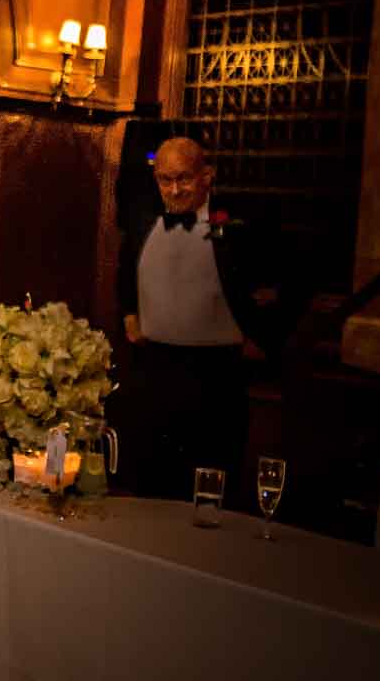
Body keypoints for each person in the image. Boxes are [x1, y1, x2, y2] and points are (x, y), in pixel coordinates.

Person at [117, 136, 271, 500]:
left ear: (207, 176)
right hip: (152, 369)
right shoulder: (142, 222)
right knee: (150, 482)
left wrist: (265, 337)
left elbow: (287, 280)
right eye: (165, 180)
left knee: (208, 485)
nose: (174, 189)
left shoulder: (234, 226)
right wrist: (127, 313)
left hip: (215, 376)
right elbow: (125, 272)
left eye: (184, 178)